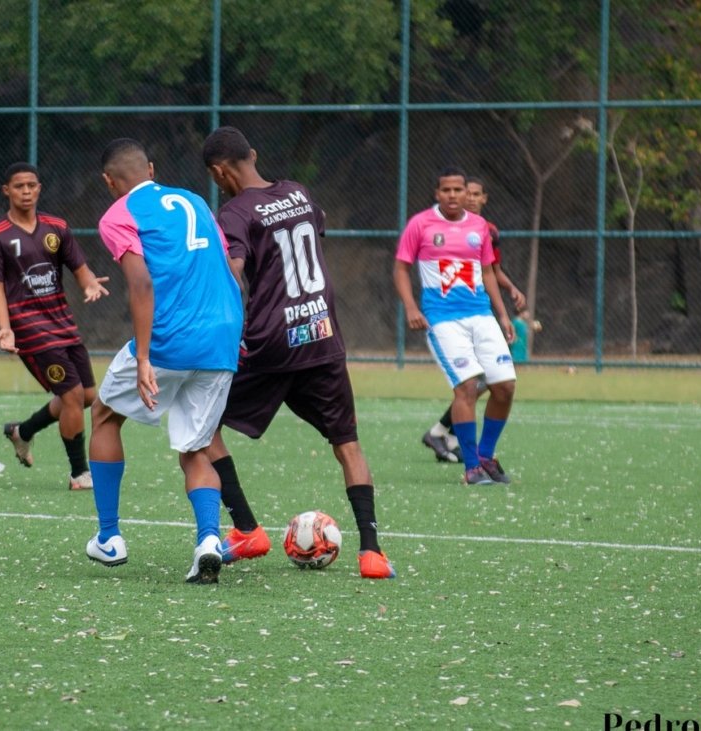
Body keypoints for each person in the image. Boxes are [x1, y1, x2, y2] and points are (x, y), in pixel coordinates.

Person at [199, 126, 395, 579]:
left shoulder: (234, 211)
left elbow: (232, 270)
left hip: (271, 343)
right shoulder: (299, 192)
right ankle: (372, 554)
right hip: (323, 337)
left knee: (201, 425)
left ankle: (247, 529)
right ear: (254, 153)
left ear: (218, 171)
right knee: (347, 444)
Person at [84, 138, 244, 585]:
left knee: (103, 415)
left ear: (109, 181)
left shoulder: (117, 215)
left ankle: (110, 538)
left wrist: (143, 358)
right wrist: (234, 331)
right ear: (151, 168)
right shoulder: (195, 199)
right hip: (222, 336)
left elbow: (141, 284)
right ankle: (209, 540)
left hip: (171, 339)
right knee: (195, 447)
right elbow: (229, 268)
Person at [0, 162, 110, 491]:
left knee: (86, 396)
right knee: (70, 395)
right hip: (29, 328)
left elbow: (79, 267)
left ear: (39, 188)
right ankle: (79, 474)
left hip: (61, 321)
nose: (26, 191)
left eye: (31, 185)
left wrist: (90, 285)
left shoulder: (57, 228)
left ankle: (22, 432)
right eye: (19, 186)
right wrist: (5, 328)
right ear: (6, 191)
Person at [394, 166, 517, 485]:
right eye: (446, 190)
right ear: (437, 193)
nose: (452, 195)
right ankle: (472, 467)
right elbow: (401, 269)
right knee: (466, 388)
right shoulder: (420, 224)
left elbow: (488, 272)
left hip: (481, 316)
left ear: (467, 192)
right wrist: (410, 307)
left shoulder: (479, 226)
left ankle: (487, 457)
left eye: (458, 190)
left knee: (504, 387)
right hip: (443, 320)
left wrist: (502, 315)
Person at [420, 176, 526, 463]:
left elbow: (490, 269)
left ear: (484, 198)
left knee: (492, 382)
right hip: (451, 316)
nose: (470, 198)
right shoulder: (437, 227)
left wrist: (509, 291)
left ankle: (444, 432)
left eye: (476, 194)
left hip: (480, 314)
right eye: (468, 193)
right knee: (472, 384)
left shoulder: (486, 230)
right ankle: (456, 443)